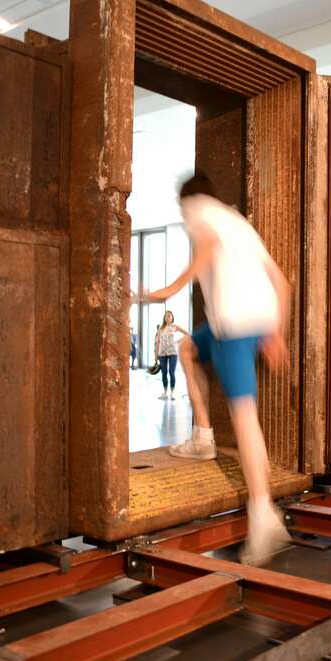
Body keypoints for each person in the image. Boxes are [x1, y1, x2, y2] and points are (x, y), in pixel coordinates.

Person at [138, 171, 293, 565]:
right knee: (188, 348)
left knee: (244, 419)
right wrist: (275, 330)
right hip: (254, 320)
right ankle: (203, 438)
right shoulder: (238, 221)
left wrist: (168, 291)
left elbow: (209, 246)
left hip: (234, 325)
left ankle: (264, 515)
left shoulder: (198, 210)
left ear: (189, 201)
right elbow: (281, 282)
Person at [154, 310, 187, 400]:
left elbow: (187, 334)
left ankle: (172, 392)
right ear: (164, 318)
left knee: (171, 372)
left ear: (172, 317)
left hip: (173, 352)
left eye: (169, 316)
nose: (167, 317)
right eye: (166, 316)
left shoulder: (175, 327)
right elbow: (158, 342)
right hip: (162, 353)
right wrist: (156, 355)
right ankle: (165, 392)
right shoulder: (160, 329)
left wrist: (177, 342)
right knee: (164, 373)